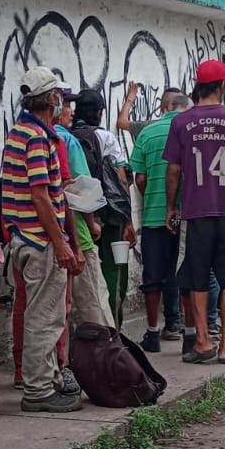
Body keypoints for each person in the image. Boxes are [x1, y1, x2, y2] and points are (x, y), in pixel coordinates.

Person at [3, 67, 86, 412]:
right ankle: (39, 391)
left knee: (41, 314)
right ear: (52, 98)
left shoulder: (20, 132)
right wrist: (62, 243)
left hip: (24, 238)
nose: (63, 102)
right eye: (60, 97)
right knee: (45, 317)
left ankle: (45, 381)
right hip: (40, 241)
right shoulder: (39, 138)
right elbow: (41, 196)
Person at [164, 60, 225, 364]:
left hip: (196, 212)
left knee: (196, 277)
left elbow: (173, 170)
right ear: (222, 86)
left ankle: (202, 342)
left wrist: (171, 206)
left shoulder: (180, 121)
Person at [69, 88, 136, 323]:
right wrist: (128, 220)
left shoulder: (65, 136)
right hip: (110, 216)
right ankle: (113, 327)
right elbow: (122, 179)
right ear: (99, 113)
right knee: (115, 268)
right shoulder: (105, 137)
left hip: (76, 217)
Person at [130, 92, 191, 352]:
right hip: (189, 215)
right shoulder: (192, 129)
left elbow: (140, 178)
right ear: (185, 109)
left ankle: (153, 333)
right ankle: (190, 335)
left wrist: (152, 198)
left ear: (166, 108)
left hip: (155, 215)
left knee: (153, 276)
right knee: (186, 274)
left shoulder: (147, 132)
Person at [54, 89, 114, 329]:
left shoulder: (25, 136)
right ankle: (108, 356)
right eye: (67, 105)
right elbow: (82, 191)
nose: (71, 111)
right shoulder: (67, 141)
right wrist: (91, 225)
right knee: (95, 304)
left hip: (47, 238)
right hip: (76, 233)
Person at [116, 83, 184, 139]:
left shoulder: (152, 126)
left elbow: (122, 123)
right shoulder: (189, 127)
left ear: (163, 108)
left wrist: (129, 100)